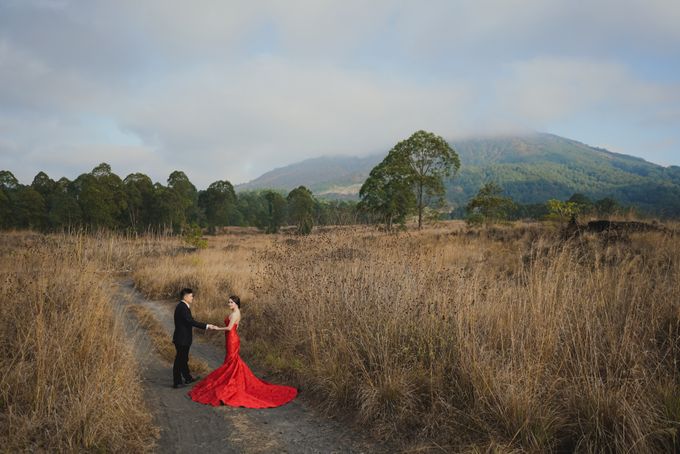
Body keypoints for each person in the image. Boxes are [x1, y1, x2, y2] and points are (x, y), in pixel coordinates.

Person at [188, 295, 297, 408]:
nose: (229, 304)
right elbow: (236, 327)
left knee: (231, 360)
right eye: (228, 302)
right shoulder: (236, 312)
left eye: (231, 302)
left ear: (235, 303)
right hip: (231, 338)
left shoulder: (235, 314)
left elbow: (230, 328)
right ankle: (230, 380)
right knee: (231, 360)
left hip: (232, 339)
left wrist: (217, 328)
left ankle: (231, 382)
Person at [172, 288, 217, 389]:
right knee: (179, 360)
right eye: (191, 296)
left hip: (183, 338)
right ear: (186, 296)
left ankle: (187, 377)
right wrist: (207, 326)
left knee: (184, 359)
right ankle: (177, 382)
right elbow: (191, 321)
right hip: (182, 339)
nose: (192, 298)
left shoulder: (182, 306)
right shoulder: (183, 307)